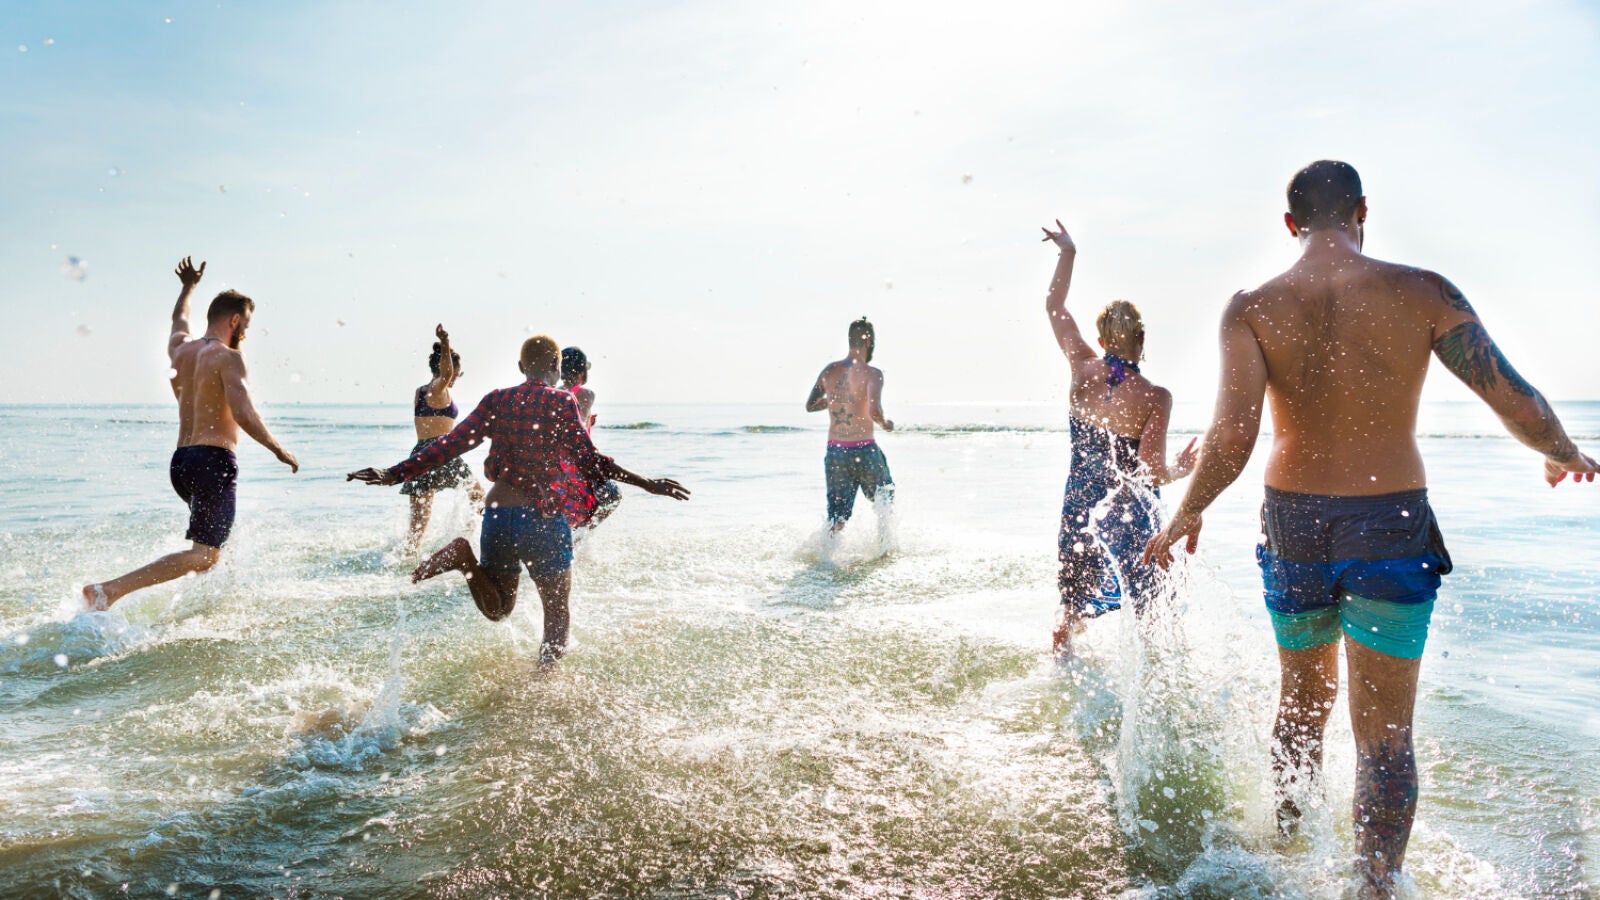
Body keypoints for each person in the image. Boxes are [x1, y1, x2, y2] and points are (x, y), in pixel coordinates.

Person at [1142, 161, 1598, 897]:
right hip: (1390, 522)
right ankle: (1374, 886)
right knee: (1385, 737)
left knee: (1300, 706)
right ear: (1362, 211)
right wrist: (1562, 453)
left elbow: (1231, 437)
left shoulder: (1252, 307)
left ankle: (1285, 854)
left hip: (1292, 524)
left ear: (1290, 224)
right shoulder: (1422, 291)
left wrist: (1188, 510)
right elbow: (1510, 394)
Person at [347, 336, 689, 663]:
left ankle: (464, 560)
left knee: (498, 609)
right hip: (542, 517)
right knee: (556, 616)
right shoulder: (562, 401)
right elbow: (590, 460)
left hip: (499, 513)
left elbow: (450, 445)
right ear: (555, 366)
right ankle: (543, 686)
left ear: (521, 365)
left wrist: (394, 473)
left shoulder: (497, 399)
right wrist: (647, 483)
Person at [82, 257, 299, 610]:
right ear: (234, 320)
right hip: (213, 461)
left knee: (211, 548)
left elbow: (178, 319)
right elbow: (243, 413)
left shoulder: (180, 349)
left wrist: (187, 287)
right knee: (205, 555)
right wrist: (279, 449)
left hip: (182, 463)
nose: (245, 331)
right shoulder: (228, 357)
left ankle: (202, 611)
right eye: (245, 323)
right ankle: (108, 591)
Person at [1040, 220, 1198, 657]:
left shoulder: (1080, 367)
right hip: (1127, 516)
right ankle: (1150, 686)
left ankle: (1063, 674)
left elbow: (1054, 305)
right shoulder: (1155, 398)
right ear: (1141, 338)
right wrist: (1185, 469)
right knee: (1148, 611)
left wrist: (1068, 252)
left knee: (1070, 611)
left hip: (1079, 507)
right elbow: (1149, 472)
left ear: (1100, 338)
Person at [399, 324, 485, 553]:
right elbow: (445, 374)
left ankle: (461, 540)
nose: (456, 377)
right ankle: (467, 540)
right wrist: (446, 342)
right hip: (440, 451)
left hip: (421, 453)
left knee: (417, 527)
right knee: (479, 498)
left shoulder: (422, 390)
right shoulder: (437, 389)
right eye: (456, 373)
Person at [805, 318, 896, 535]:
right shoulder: (873, 373)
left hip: (836, 451)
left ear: (849, 340)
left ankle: (827, 559)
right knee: (884, 502)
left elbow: (811, 405)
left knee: (837, 516)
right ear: (868, 341)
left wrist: (834, 400)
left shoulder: (829, 371)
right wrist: (886, 424)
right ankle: (885, 551)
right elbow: (874, 412)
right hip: (864, 449)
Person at [558, 346, 621, 530]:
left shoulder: (554, 393)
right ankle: (584, 532)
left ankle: (574, 531)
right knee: (612, 494)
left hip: (557, 466)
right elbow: (580, 433)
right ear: (582, 371)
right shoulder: (587, 395)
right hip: (577, 466)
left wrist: (587, 423)